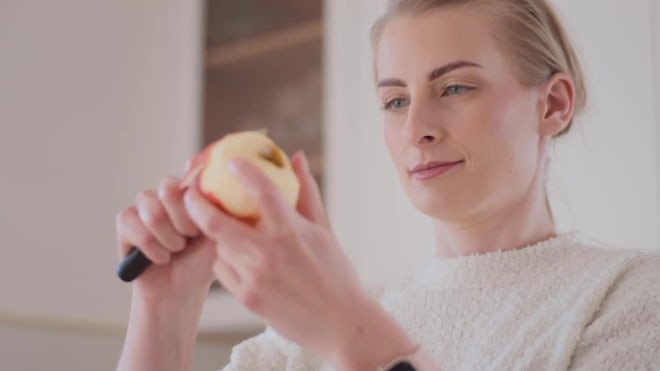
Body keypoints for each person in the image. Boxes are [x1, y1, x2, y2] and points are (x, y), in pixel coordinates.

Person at [115, 0, 660, 370]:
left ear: (553, 103)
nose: (416, 128)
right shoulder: (308, 333)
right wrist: (165, 309)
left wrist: (351, 333)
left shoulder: (629, 297)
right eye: (395, 100)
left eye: (455, 87)